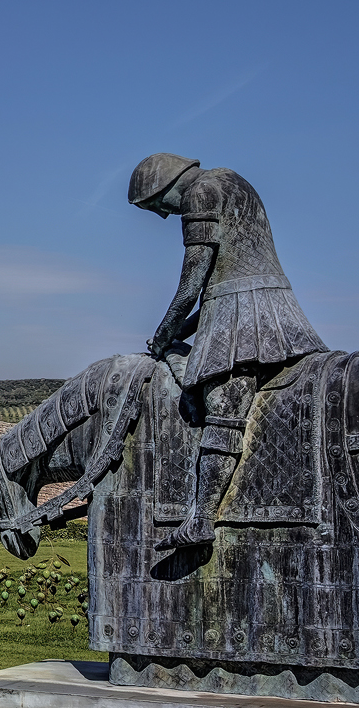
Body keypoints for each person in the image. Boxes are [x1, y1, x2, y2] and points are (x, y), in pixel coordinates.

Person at [130, 153, 328, 549]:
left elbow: (192, 284)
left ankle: (201, 519)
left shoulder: (199, 194)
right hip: (267, 304)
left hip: (243, 313)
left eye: (155, 206)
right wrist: (176, 332)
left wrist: (164, 331)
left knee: (223, 403)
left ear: (167, 186)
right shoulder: (231, 180)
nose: (162, 215)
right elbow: (221, 286)